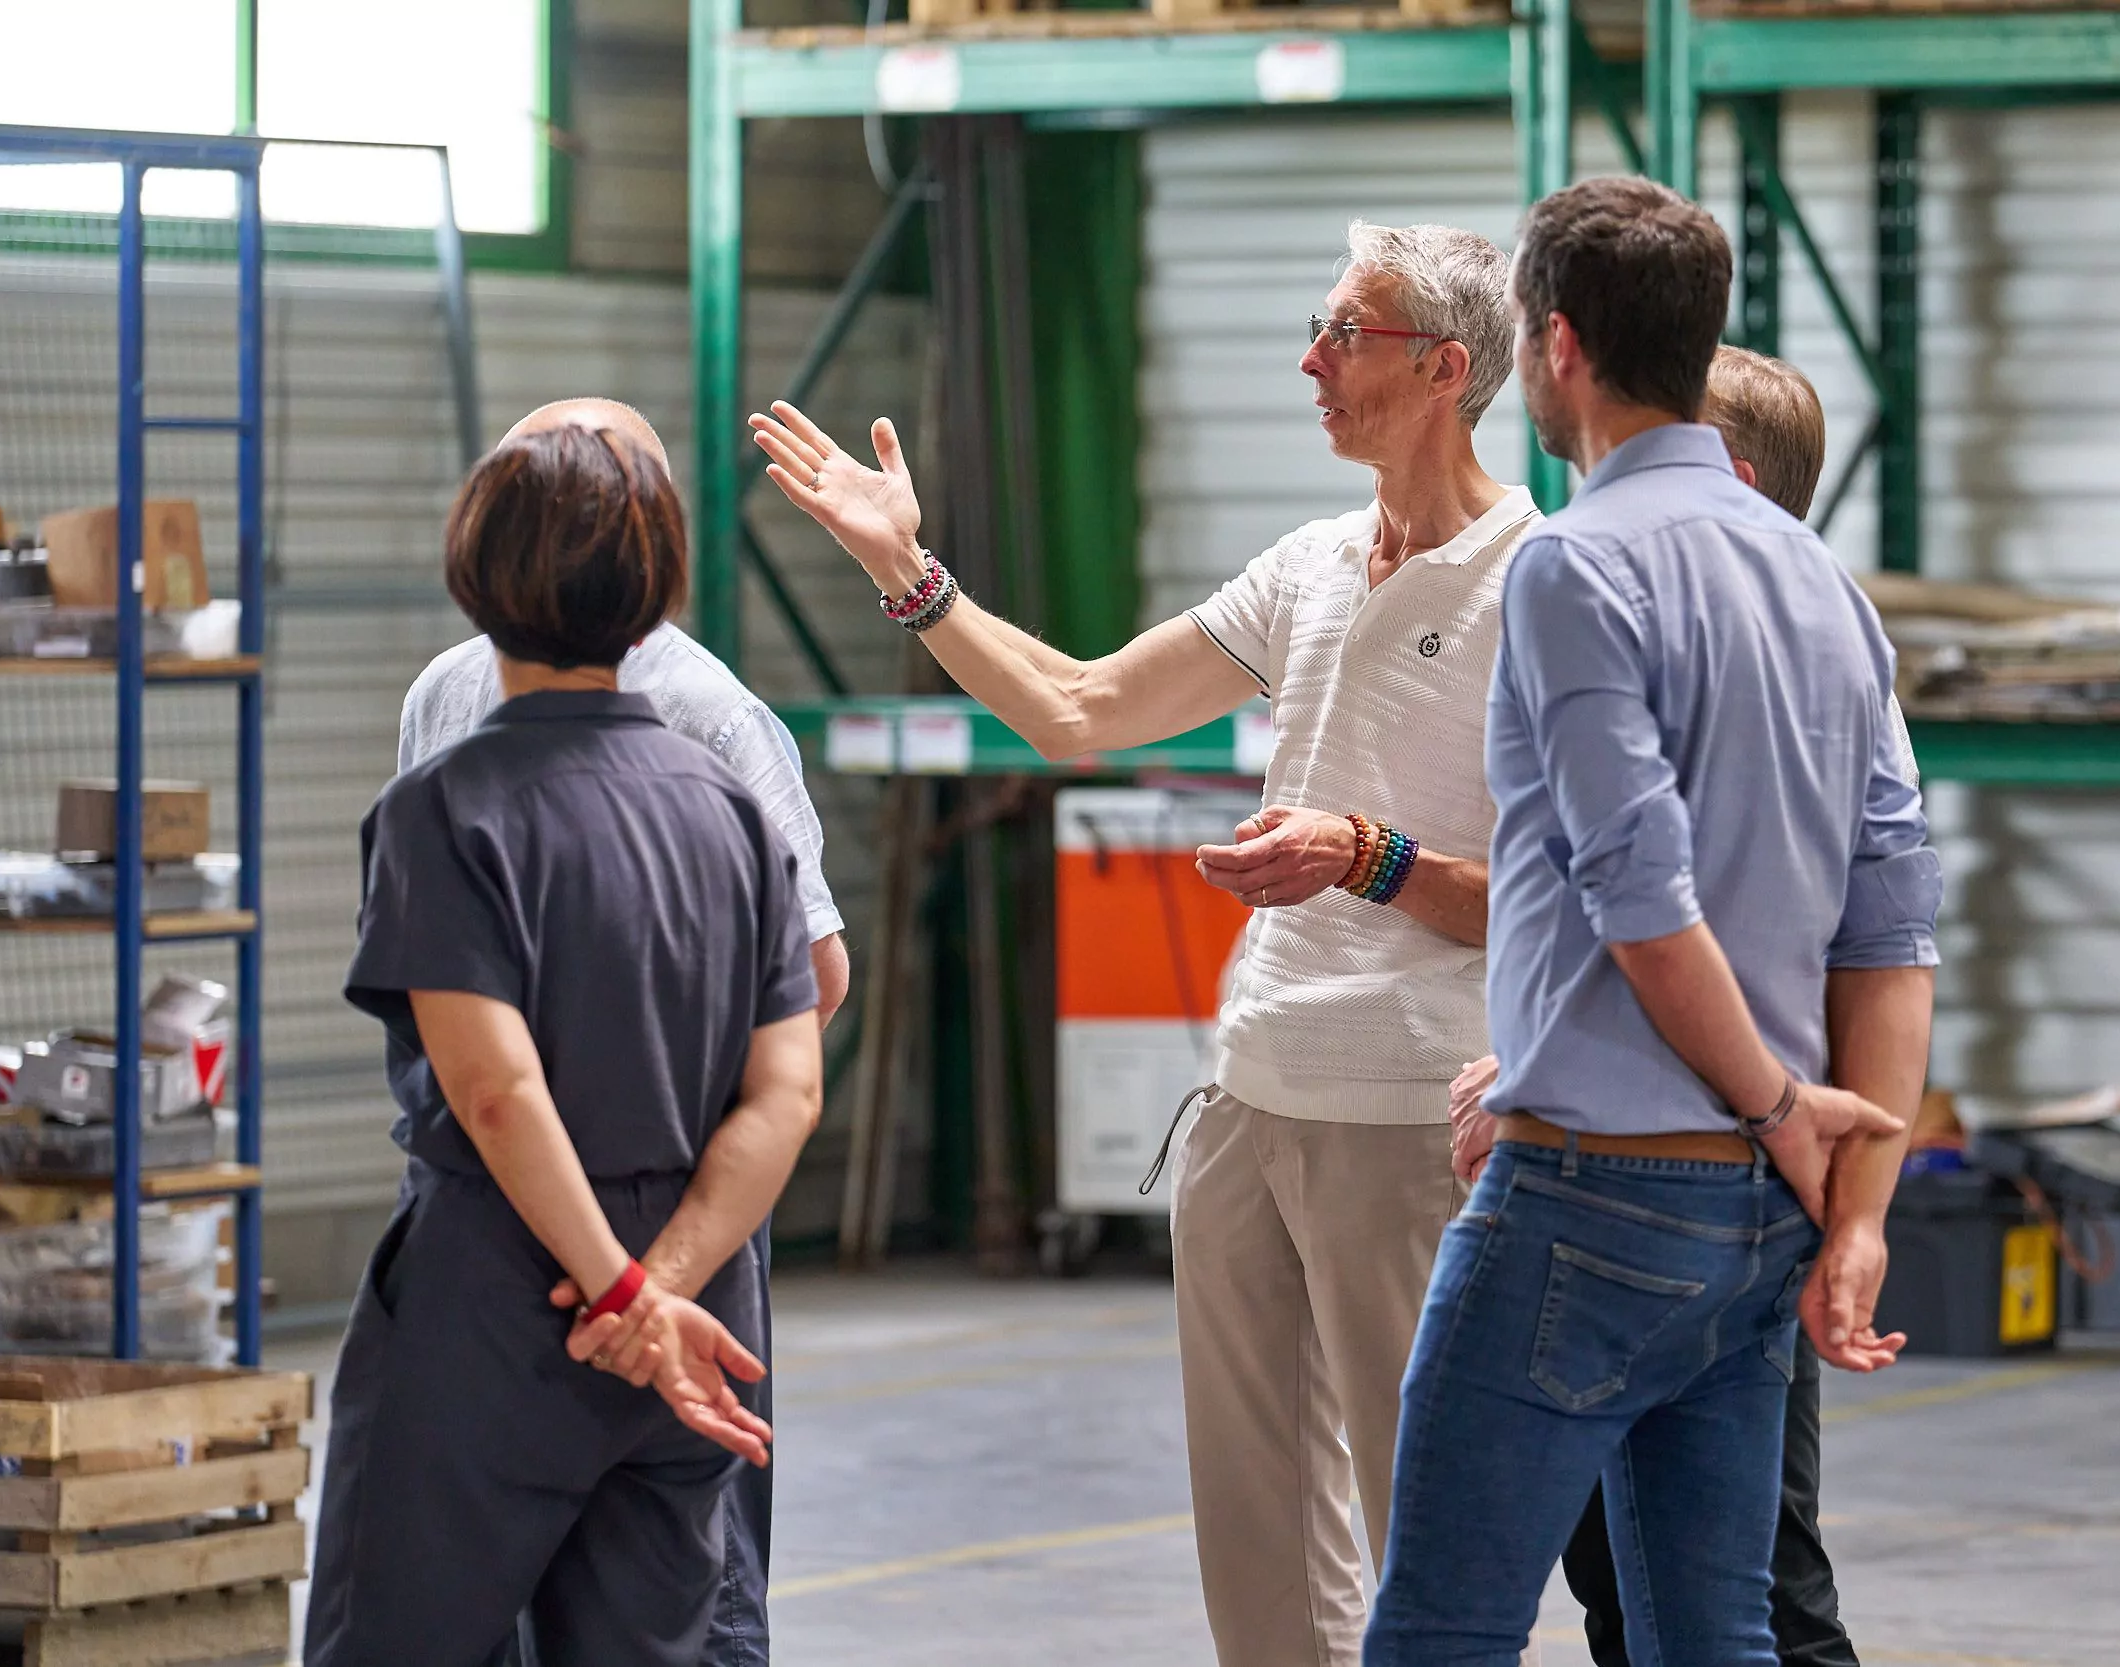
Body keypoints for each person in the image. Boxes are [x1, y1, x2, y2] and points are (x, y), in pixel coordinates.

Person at [752, 222, 1534, 1667]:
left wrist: (1369, 854)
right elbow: (1080, 706)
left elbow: (1564, 893)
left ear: (1440, 370)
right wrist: (909, 571)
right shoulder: (1308, 565)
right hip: (1248, 1099)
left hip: (1406, 1111)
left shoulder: (1535, 584)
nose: (1309, 361)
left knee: (1429, 1531)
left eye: (1343, 336)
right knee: (1256, 1541)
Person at [1364, 178, 1940, 1666]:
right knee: (1714, 1636)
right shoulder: (1824, 584)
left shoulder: (1574, 562)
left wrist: (1773, 1100)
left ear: (1554, 346)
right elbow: (1892, 918)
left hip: (1593, 1196)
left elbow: (1639, 890)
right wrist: (1850, 1195)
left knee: (1440, 1627)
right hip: (1763, 1215)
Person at [307, 422, 826, 1667]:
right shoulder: (730, 812)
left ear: (474, 572)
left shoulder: (443, 808)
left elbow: (494, 1093)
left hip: (503, 1301)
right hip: (698, 1323)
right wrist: (670, 1283)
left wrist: (618, 1288)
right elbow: (788, 1091)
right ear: (655, 594)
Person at [1447, 343, 1881, 1667]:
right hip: (1730, 1174)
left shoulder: (1740, 657)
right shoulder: (1776, 647)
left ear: (1726, 476)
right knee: (1664, 1591)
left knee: (1739, 1585)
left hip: (1685, 1180)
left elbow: (1654, 910)